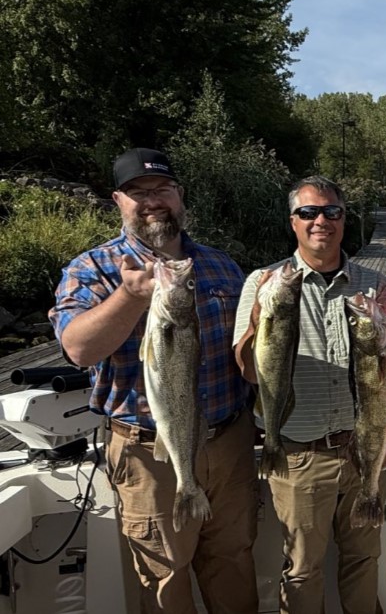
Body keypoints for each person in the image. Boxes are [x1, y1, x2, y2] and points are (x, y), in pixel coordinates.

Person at [49, 147, 258, 613]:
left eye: (161, 189)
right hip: (148, 453)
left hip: (229, 442)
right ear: (118, 202)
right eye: (137, 193)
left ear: (180, 196)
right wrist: (129, 295)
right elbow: (78, 348)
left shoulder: (222, 265)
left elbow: (247, 353)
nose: (152, 200)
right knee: (164, 577)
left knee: (235, 562)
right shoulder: (94, 268)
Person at [233, 175, 386, 614]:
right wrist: (257, 319)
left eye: (331, 212)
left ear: (344, 220)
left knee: (364, 560)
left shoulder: (372, 284)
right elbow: (248, 371)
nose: (320, 220)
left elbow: (383, 368)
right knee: (302, 568)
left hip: (363, 449)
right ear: (293, 221)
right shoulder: (264, 281)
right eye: (309, 212)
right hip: (299, 455)